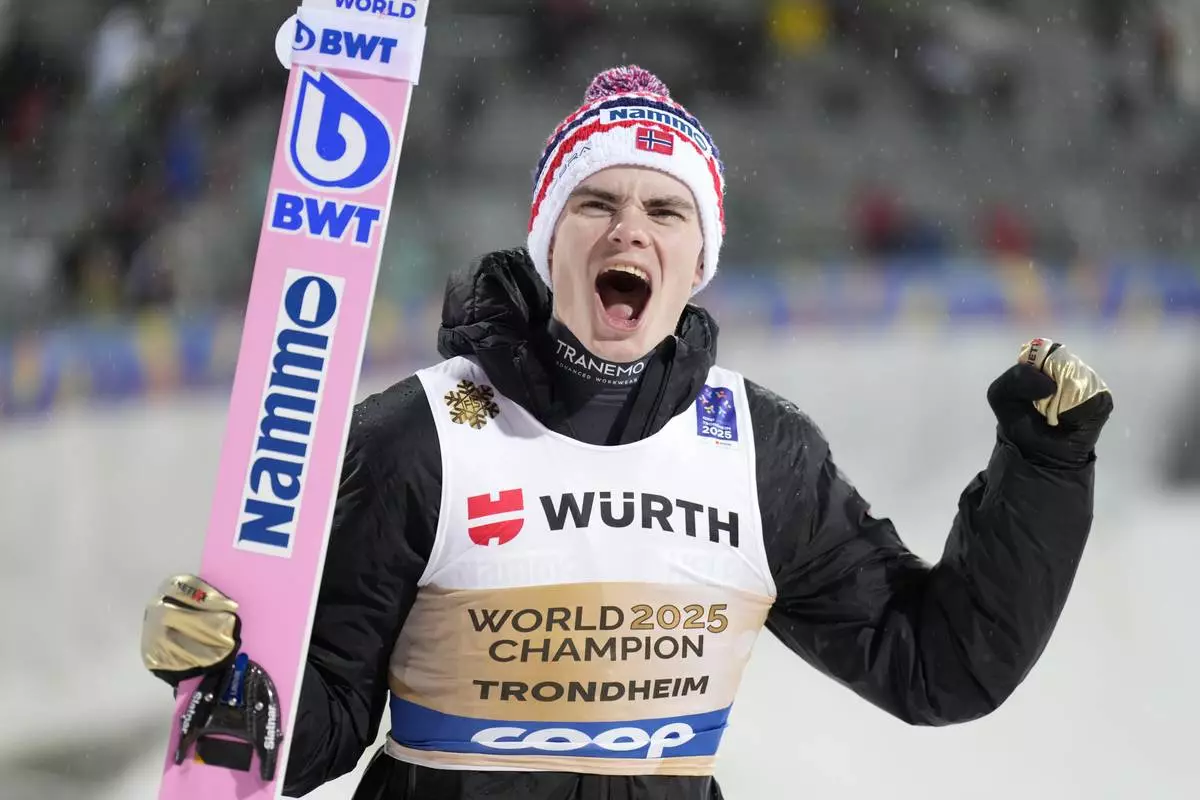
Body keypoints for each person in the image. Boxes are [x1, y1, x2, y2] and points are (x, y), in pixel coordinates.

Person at [141, 66, 1113, 800]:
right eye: (595, 203)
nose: (628, 231)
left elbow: (934, 663)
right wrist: (223, 675)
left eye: (665, 209)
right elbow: (325, 722)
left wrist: (1045, 461)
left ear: (699, 261)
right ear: (547, 239)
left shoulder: (759, 455)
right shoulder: (420, 437)